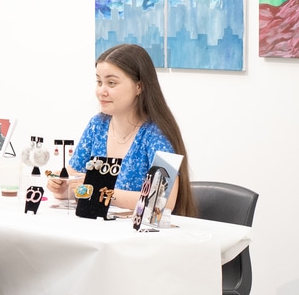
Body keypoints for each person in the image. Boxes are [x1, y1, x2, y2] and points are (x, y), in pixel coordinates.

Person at [48, 43, 195, 216]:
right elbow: (75, 182)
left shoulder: (157, 134)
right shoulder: (97, 126)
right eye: (99, 82)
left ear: (139, 87)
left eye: (111, 83)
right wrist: (62, 187)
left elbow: (163, 201)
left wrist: (103, 192)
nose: (101, 91)